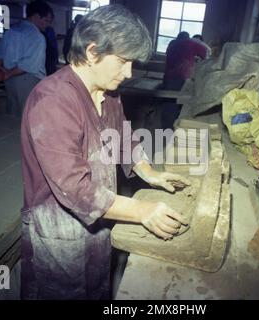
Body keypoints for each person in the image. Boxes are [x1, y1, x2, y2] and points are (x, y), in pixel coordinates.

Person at [20, 4, 191, 300]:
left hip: (101, 212)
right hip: (59, 227)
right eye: (124, 61)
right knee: (63, 291)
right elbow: (74, 188)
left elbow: (122, 136)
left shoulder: (107, 94)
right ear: (92, 51)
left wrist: (150, 173)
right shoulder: (53, 101)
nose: (129, 73)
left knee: (96, 285)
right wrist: (141, 210)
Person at [0, 0, 53, 117]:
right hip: (28, 80)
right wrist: (8, 74)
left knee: (14, 114)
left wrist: (1, 70)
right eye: (46, 20)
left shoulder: (11, 31)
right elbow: (29, 65)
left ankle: (13, 135)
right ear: (36, 16)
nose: (48, 25)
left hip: (9, 80)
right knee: (30, 116)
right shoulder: (37, 37)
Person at [161, 31, 207, 129]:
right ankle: (176, 126)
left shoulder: (172, 43)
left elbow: (170, 54)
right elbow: (205, 52)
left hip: (168, 77)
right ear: (188, 38)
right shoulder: (190, 43)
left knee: (168, 103)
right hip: (182, 77)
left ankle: (166, 127)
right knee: (181, 102)